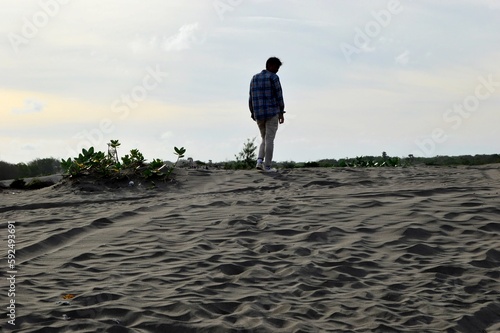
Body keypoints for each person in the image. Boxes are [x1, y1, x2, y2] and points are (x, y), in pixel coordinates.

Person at [248, 57, 285, 172]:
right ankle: (267, 166)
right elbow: (279, 96)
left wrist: (252, 112)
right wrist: (281, 112)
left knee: (264, 138)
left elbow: (250, 97)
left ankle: (259, 161)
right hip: (271, 112)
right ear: (271, 65)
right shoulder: (273, 77)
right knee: (269, 139)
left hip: (258, 113)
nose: (278, 70)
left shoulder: (254, 78)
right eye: (277, 67)